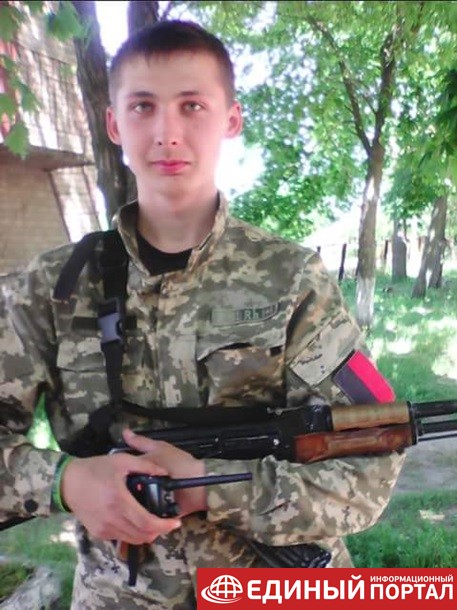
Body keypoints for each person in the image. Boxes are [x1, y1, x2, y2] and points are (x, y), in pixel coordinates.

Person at [0, 20, 405, 610]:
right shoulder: (51, 289)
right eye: (143, 107)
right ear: (114, 124)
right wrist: (65, 481)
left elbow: (370, 467)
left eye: (192, 105)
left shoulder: (291, 279)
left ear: (231, 120)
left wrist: (211, 488)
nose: (167, 133)